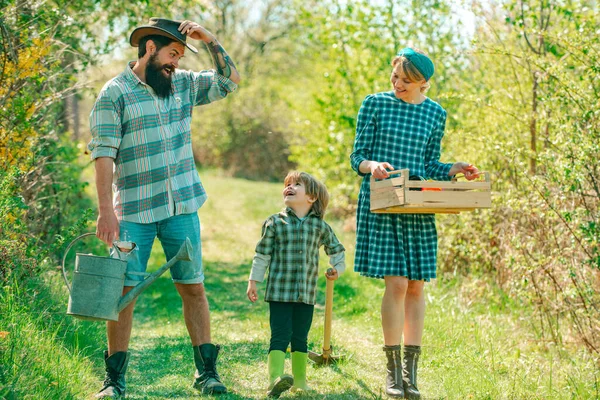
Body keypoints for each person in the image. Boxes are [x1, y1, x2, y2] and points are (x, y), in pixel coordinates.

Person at [87, 17, 240, 398]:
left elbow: (229, 82)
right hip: (133, 213)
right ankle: (115, 380)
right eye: (172, 54)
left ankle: (207, 373)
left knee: (193, 288)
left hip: (181, 207)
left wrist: (210, 39)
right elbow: (104, 154)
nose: (176, 62)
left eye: (181, 56)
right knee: (123, 292)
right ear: (150, 48)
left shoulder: (183, 85)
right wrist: (106, 210)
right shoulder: (114, 93)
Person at [350, 48, 480, 399]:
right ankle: (392, 375)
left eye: (406, 81)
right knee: (396, 284)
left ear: (424, 83)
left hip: (419, 204)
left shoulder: (436, 113)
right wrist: (372, 165)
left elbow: (430, 164)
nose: (397, 84)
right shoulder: (374, 104)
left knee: (417, 287)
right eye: (395, 77)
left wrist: (455, 168)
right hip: (384, 199)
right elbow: (356, 157)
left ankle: (411, 374)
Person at [246, 171, 346, 398]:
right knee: (280, 334)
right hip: (279, 292)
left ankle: (300, 381)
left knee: (300, 336)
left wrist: (336, 270)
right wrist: (254, 281)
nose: (289, 187)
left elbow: (337, 252)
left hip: (306, 294)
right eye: (287, 184)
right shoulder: (274, 222)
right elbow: (262, 255)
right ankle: (275, 380)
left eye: (297, 184)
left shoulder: (320, 227)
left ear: (312, 198)